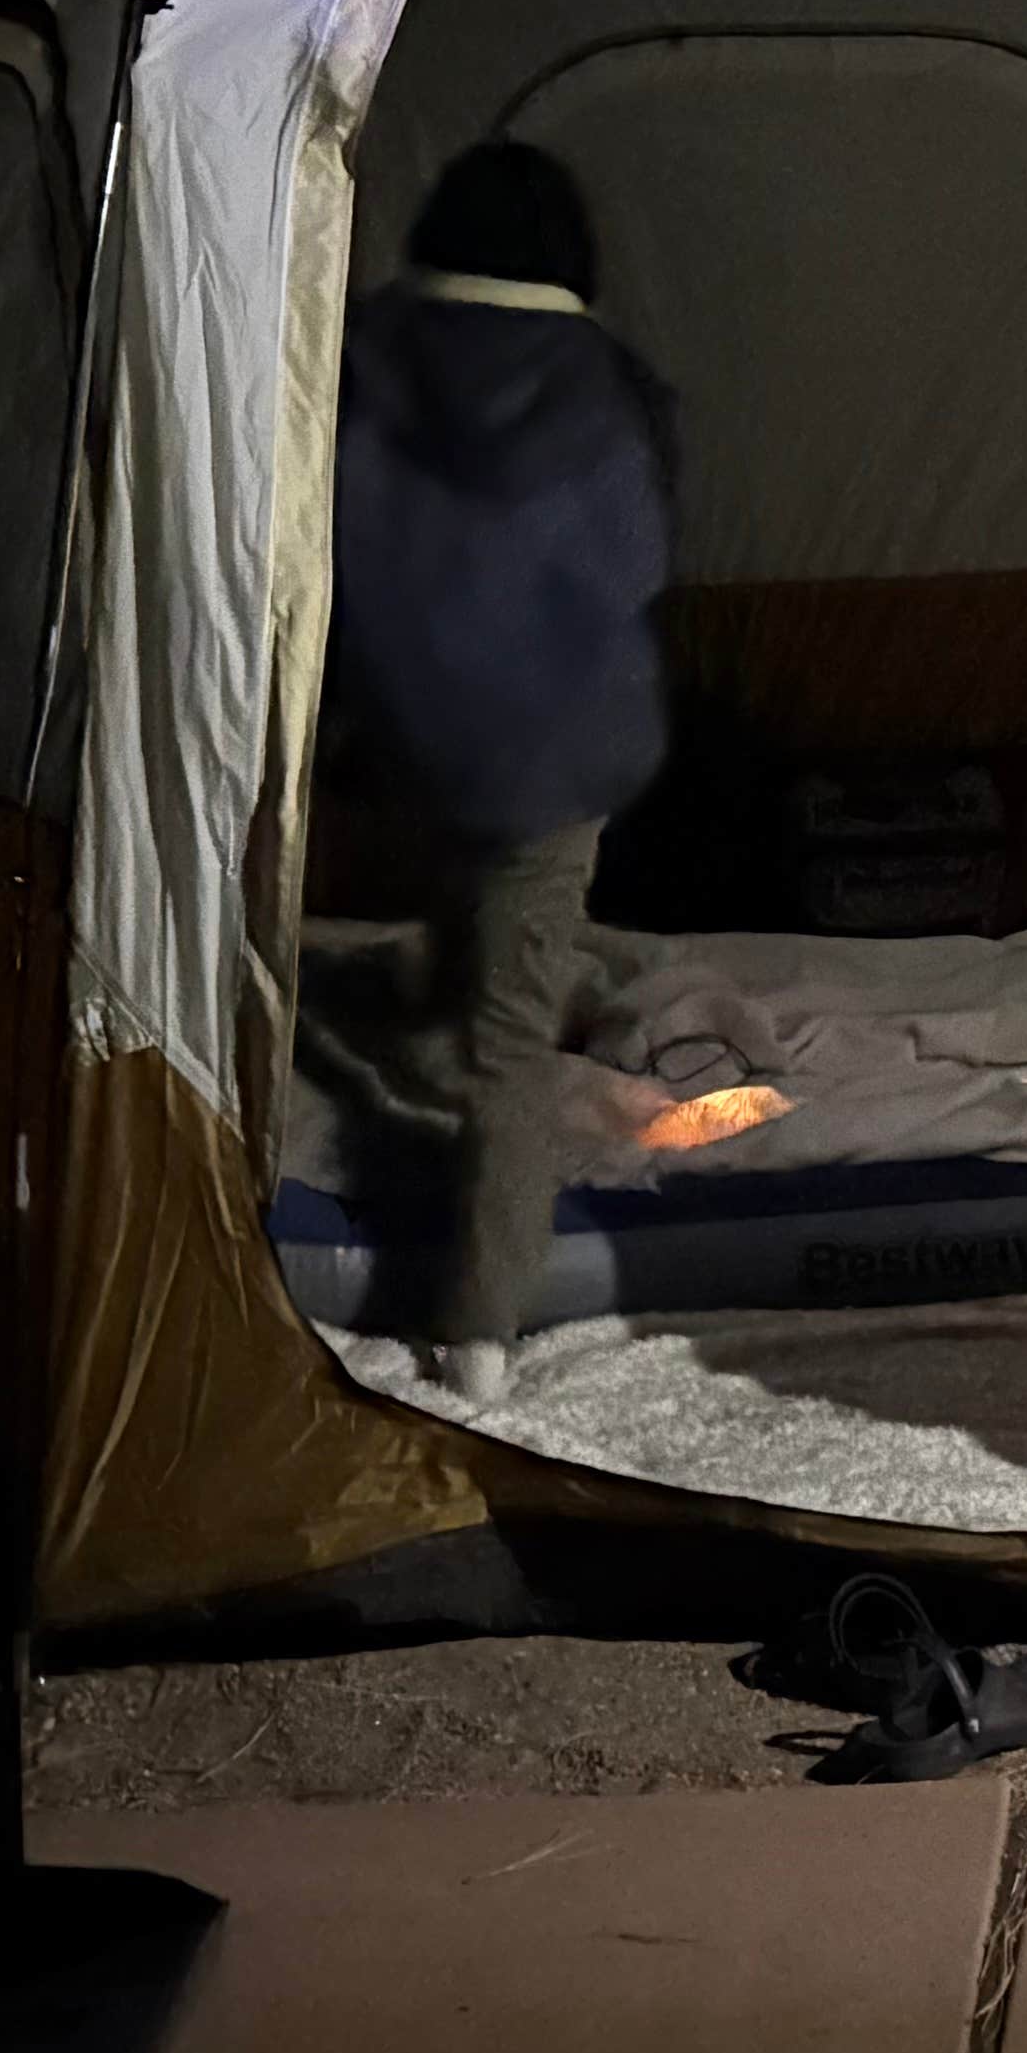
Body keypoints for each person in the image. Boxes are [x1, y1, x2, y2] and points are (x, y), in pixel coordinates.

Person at [326, 140, 676, 1404]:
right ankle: (479, 1332)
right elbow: (634, 564)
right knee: (513, 1042)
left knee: (453, 912)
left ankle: (429, 1013)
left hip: (413, 728)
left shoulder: (363, 351)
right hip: (554, 747)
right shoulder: (605, 387)